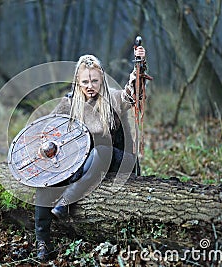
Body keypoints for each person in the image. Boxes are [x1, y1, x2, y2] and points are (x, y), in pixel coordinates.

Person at [35, 46, 147, 261]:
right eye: (85, 82)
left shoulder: (113, 98)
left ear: (102, 79)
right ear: (78, 81)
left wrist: (138, 72)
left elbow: (130, 95)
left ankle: (66, 202)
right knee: (44, 184)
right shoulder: (68, 103)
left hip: (115, 160)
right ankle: (43, 243)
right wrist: (44, 147)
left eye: (94, 81)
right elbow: (46, 131)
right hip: (81, 163)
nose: (90, 86)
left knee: (101, 151)